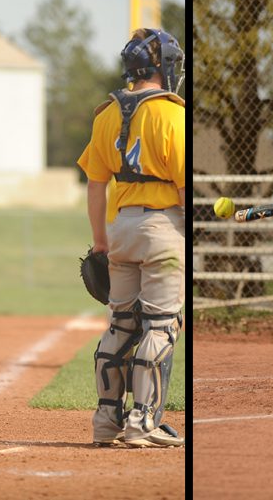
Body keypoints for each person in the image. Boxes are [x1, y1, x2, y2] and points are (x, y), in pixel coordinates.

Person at [76, 28, 185, 448]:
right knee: (160, 325)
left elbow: (94, 185)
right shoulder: (172, 115)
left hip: (120, 227)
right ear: (163, 68)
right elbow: (181, 187)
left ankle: (107, 421)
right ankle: (144, 422)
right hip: (162, 228)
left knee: (121, 323)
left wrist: (100, 241)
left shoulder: (106, 114)